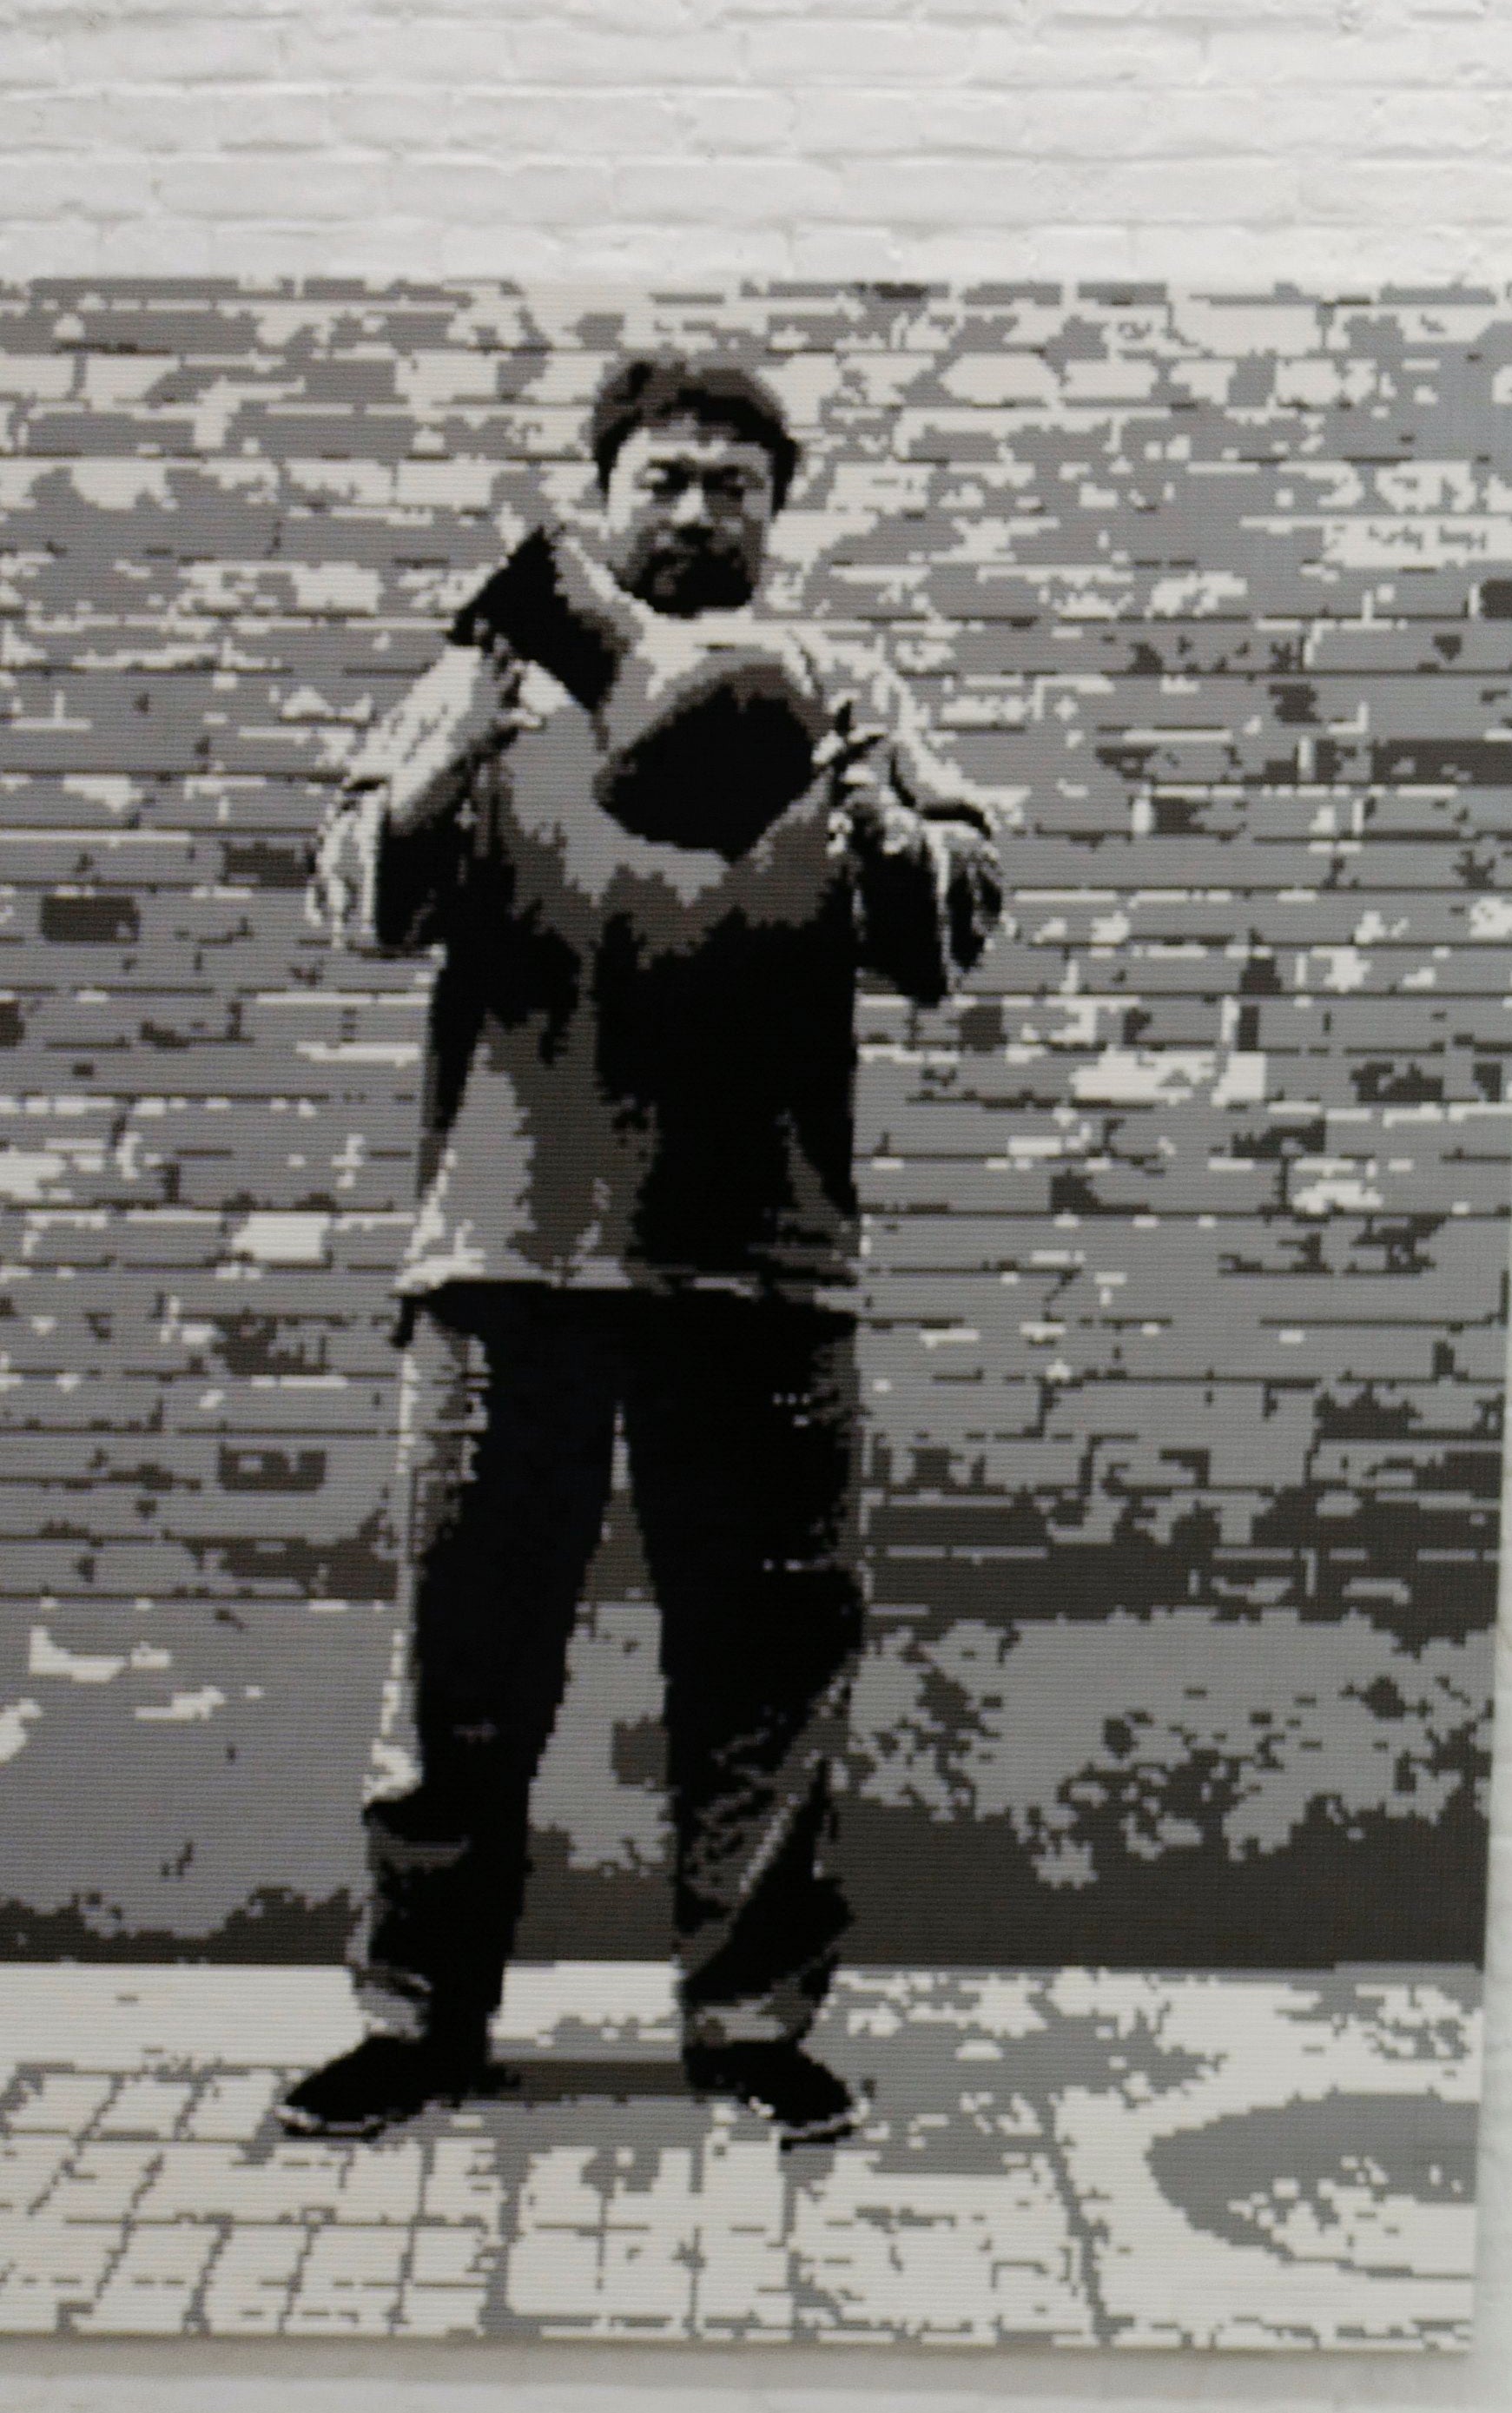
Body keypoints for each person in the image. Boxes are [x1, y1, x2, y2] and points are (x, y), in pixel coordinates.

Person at [277, 352, 1004, 2150]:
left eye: (731, 485)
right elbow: (363, 897)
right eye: (664, 479)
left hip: (760, 1265)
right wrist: (478, 705)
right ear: (606, 494)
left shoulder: (847, 677)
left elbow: (946, 930)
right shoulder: (495, 672)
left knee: (764, 1671)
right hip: (505, 1262)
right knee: (462, 1670)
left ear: (775, 509)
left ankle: (752, 2028)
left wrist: (887, 824)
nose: (693, 512)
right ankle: (416, 2021)